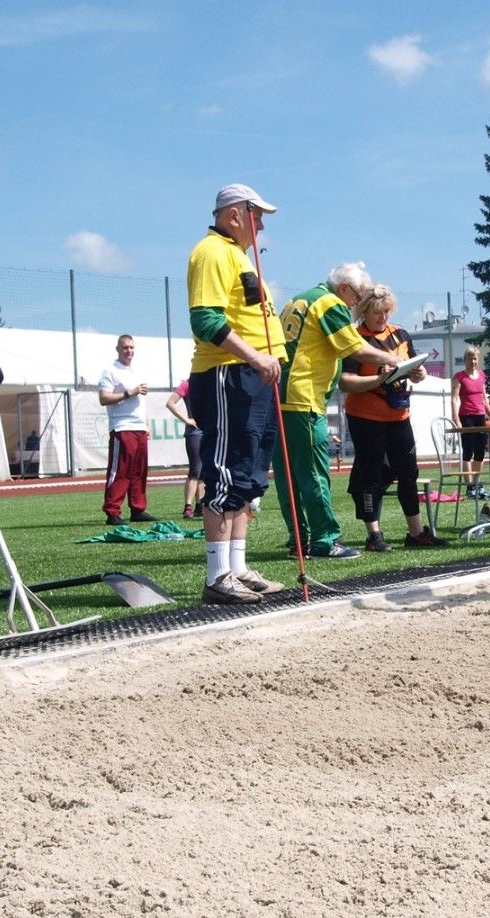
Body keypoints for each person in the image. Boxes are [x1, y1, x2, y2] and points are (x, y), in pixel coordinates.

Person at [186, 183, 288, 604]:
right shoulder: (211, 252)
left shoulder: (238, 256)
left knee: (248, 475)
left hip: (254, 376)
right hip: (229, 375)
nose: (261, 225)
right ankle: (217, 576)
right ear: (234, 215)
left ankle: (238, 568)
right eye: (256, 216)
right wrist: (255, 357)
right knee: (226, 473)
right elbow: (205, 320)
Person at [275, 261, 409, 559]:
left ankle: (299, 538)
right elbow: (355, 349)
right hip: (303, 398)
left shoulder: (299, 300)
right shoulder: (329, 302)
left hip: (279, 396)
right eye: (357, 297)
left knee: (288, 475)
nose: (355, 305)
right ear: (345, 288)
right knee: (314, 472)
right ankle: (326, 540)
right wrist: (393, 359)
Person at [343, 284, 448, 551]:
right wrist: (378, 380)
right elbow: (345, 381)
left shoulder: (400, 333)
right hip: (365, 416)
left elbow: (414, 366)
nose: (383, 317)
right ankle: (374, 535)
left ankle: (417, 533)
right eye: (377, 312)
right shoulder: (355, 338)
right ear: (363, 311)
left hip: (399, 415)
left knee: (408, 473)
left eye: (387, 311)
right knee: (370, 474)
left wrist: (419, 373)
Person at [97, 334, 156, 525]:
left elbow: (141, 401)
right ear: (117, 349)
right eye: (125, 347)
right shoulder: (110, 371)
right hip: (122, 427)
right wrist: (129, 393)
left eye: (131, 347)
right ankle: (112, 511)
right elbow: (103, 398)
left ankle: (138, 509)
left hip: (139, 427)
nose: (128, 351)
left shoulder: (138, 371)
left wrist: (146, 423)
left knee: (139, 471)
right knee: (121, 470)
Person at [451, 346, 490, 496]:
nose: (473, 362)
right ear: (465, 360)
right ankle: (469, 486)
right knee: (468, 451)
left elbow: (484, 398)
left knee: (480, 452)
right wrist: (456, 418)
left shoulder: (482, 375)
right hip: (466, 417)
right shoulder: (459, 377)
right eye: (470, 359)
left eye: (475, 359)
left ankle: (476, 483)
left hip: (480, 416)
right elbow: (454, 399)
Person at [164, 377, 205, 518]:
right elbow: (170, 403)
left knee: (204, 471)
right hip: (195, 432)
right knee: (195, 470)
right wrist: (186, 420)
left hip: (208, 430)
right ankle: (188, 506)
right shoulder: (188, 384)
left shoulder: (209, 382)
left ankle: (200, 505)